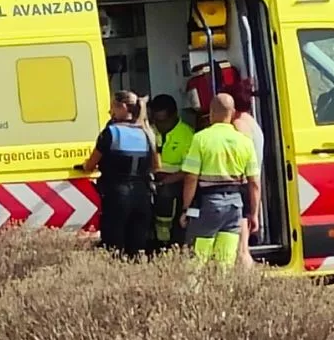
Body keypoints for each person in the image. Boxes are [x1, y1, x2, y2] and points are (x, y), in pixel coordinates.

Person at [179, 94, 259, 268]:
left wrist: (186, 208)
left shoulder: (201, 138)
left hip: (207, 204)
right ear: (232, 113)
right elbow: (254, 184)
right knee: (225, 261)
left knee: (196, 260)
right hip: (234, 206)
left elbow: (191, 178)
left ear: (211, 112)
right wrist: (254, 214)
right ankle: (223, 292)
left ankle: (194, 294)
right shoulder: (245, 142)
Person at [81, 91, 158, 258]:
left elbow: (90, 164)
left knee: (113, 246)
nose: (110, 112)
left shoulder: (111, 133)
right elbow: (156, 166)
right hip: (142, 195)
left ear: (123, 107)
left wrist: (85, 165)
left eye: (112, 108)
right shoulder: (147, 133)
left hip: (117, 195)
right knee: (137, 247)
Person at [148, 94, 195, 249]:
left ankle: (170, 246)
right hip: (151, 182)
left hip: (175, 186)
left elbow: (189, 170)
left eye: (163, 121)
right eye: (156, 121)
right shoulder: (150, 131)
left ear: (174, 116)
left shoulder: (187, 135)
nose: (159, 125)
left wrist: (163, 181)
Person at [227, 79, 265, 267]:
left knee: (242, 251)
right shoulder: (252, 123)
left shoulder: (239, 125)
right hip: (249, 186)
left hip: (241, 187)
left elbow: (239, 159)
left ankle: (245, 286)